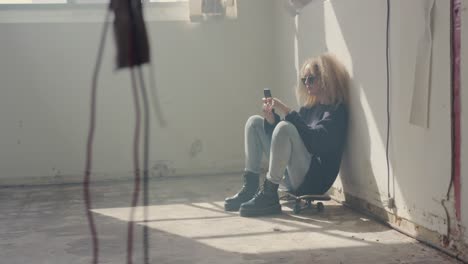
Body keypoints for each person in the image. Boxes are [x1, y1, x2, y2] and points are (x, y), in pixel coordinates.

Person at [224, 53, 350, 217]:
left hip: (313, 180)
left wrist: (286, 110)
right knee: (254, 123)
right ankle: (250, 188)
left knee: (285, 126)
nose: (306, 83)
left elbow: (315, 143)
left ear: (325, 79)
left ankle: (269, 195)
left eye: (310, 79)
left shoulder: (336, 112)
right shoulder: (308, 109)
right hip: (292, 173)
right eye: (304, 80)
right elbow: (287, 140)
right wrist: (271, 120)